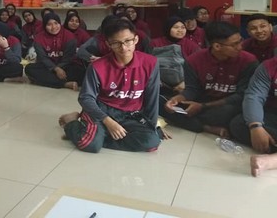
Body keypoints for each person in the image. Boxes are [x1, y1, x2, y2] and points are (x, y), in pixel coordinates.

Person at [59, 18, 161, 153]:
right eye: (116, 43)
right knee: (89, 145)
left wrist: (152, 127)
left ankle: (94, 135)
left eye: (128, 41)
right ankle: (71, 122)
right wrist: (108, 122)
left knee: (152, 142)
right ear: (108, 44)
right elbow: (85, 98)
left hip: (131, 114)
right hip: (102, 110)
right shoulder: (97, 66)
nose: (123, 48)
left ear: (136, 39)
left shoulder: (151, 63)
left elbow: (152, 98)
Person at [164, 21, 258, 137]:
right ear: (217, 46)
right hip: (202, 100)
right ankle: (205, 127)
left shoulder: (249, 61)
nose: (240, 47)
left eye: (240, 41)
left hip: (228, 103)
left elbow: (241, 95)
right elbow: (192, 89)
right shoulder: (194, 60)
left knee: (230, 113)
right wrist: (177, 99)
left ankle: (194, 123)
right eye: (234, 44)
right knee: (164, 104)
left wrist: (203, 107)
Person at [229, 55, 277, 177]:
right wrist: (256, 126)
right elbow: (254, 95)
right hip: (272, 115)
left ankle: (270, 161)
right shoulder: (268, 66)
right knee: (238, 124)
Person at [25, 13, 81, 90]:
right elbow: (43, 58)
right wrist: (56, 69)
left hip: (66, 67)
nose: (54, 27)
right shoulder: (39, 38)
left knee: (80, 71)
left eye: (56, 23)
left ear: (60, 23)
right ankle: (65, 84)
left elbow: (68, 58)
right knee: (29, 69)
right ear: (45, 26)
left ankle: (49, 81)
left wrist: (59, 68)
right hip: (47, 67)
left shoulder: (70, 36)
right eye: (49, 24)